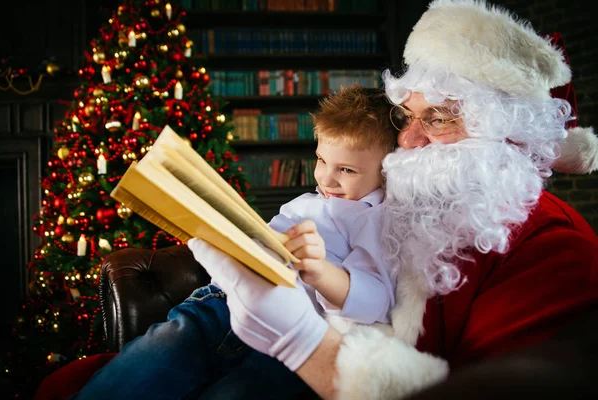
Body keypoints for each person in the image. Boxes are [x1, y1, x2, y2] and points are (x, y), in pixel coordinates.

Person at [188, 0, 598, 399]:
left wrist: (303, 343)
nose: (406, 140)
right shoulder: (401, 206)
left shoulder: (553, 245)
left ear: (507, 134)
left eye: (438, 119)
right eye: (405, 115)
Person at [70, 84, 401, 399]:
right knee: (132, 376)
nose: (326, 178)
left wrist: (319, 270)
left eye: (346, 170)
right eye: (321, 160)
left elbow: (377, 300)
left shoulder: (376, 220)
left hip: (284, 343)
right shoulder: (305, 204)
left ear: (386, 173)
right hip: (219, 305)